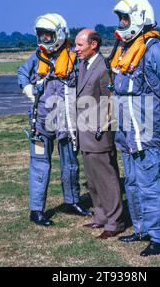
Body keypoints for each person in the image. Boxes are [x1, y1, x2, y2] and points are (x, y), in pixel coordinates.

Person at [110, 0, 160, 257]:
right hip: (127, 133)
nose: (121, 24)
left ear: (140, 18)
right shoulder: (124, 49)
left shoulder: (155, 50)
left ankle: (158, 236)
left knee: (152, 184)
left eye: (125, 18)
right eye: (120, 18)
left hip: (148, 131)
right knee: (132, 182)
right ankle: (141, 227)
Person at [17, 13, 92, 227]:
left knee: (70, 164)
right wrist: (27, 88)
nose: (43, 40)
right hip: (41, 123)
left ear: (58, 34)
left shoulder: (73, 56)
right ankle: (37, 210)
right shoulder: (36, 57)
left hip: (67, 122)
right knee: (40, 165)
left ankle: (72, 201)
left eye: (48, 35)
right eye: (40, 35)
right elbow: (22, 73)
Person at [74, 29, 125, 239]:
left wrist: (104, 130)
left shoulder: (103, 68)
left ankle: (115, 222)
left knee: (107, 179)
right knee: (93, 180)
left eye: (79, 45)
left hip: (98, 134)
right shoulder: (84, 65)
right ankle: (101, 217)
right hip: (84, 133)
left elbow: (109, 102)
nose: (76, 49)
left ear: (93, 44)